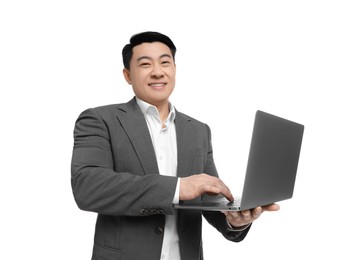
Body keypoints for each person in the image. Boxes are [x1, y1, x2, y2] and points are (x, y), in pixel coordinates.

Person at [71, 31, 279, 260]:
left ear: (175, 69)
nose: (158, 72)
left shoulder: (199, 130)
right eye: (145, 64)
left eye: (165, 62)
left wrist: (234, 219)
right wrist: (177, 188)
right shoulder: (100, 120)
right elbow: (87, 187)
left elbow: (208, 199)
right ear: (128, 75)